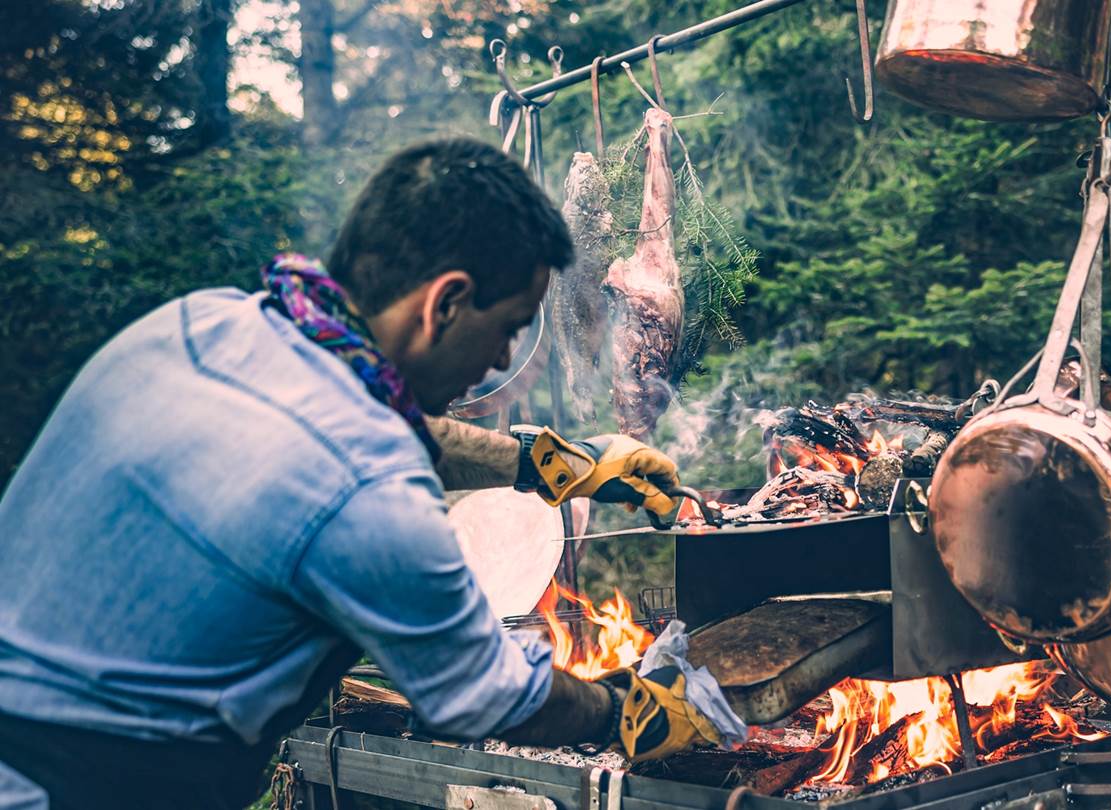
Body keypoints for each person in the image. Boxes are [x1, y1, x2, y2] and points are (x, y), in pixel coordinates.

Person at [0, 138, 726, 810]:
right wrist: (628, 709)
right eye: (508, 326)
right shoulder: (367, 493)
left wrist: (552, 466)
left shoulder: (200, 324)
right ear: (444, 302)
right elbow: (480, 693)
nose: (504, 359)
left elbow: (355, 432)